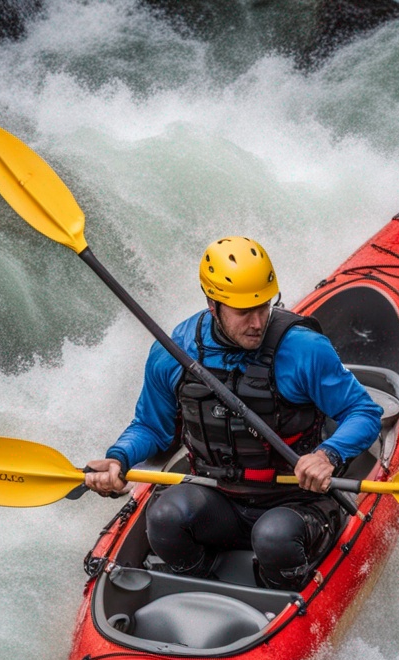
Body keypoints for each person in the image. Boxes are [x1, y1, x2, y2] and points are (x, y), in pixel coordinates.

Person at [84, 236, 383, 590]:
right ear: (213, 304)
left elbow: (364, 413)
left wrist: (327, 455)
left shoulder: (303, 349)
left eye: (264, 307)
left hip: (297, 504)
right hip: (218, 495)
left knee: (275, 537)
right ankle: (200, 582)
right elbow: (151, 427)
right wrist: (119, 458)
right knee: (163, 515)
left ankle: (281, 593)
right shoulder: (175, 351)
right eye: (244, 312)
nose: (257, 323)